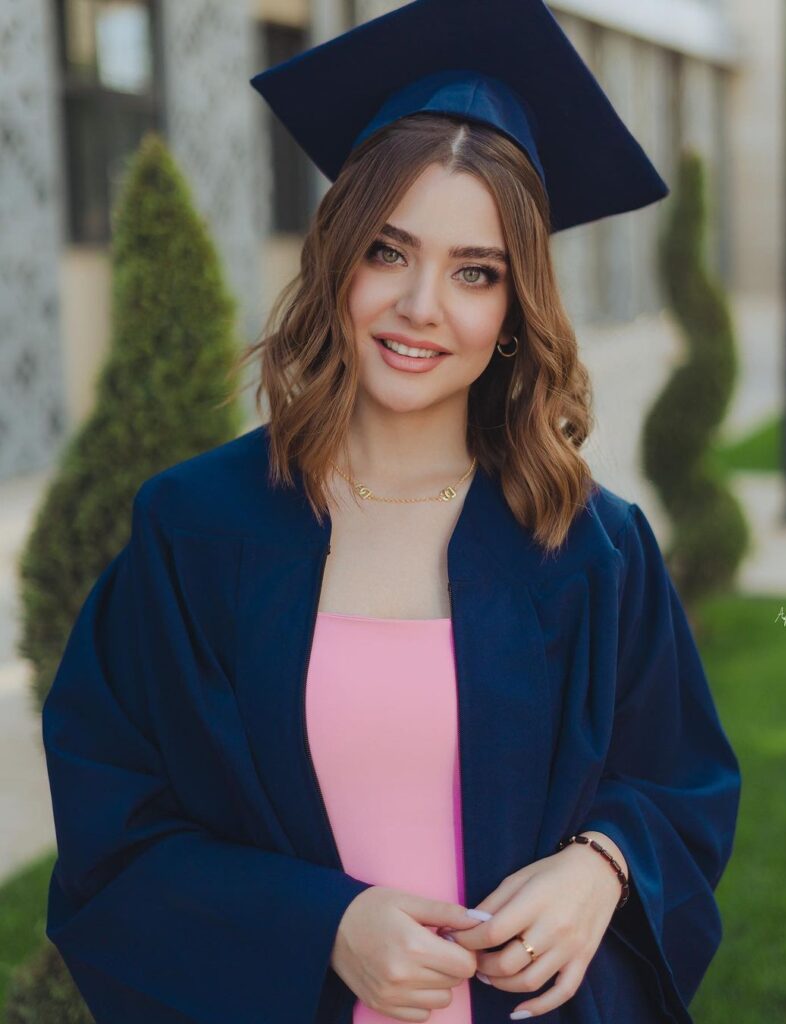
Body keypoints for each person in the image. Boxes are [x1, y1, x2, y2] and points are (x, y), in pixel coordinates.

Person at [41, 1, 741, 1022]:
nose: (422, 306)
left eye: (476, 272)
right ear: (337, 258)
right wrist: (322, 925)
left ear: (513, 310)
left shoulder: (589, 546)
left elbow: (678, 782)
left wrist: (603, 864)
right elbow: (118, 828)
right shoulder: (195, 531)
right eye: (389, 250)